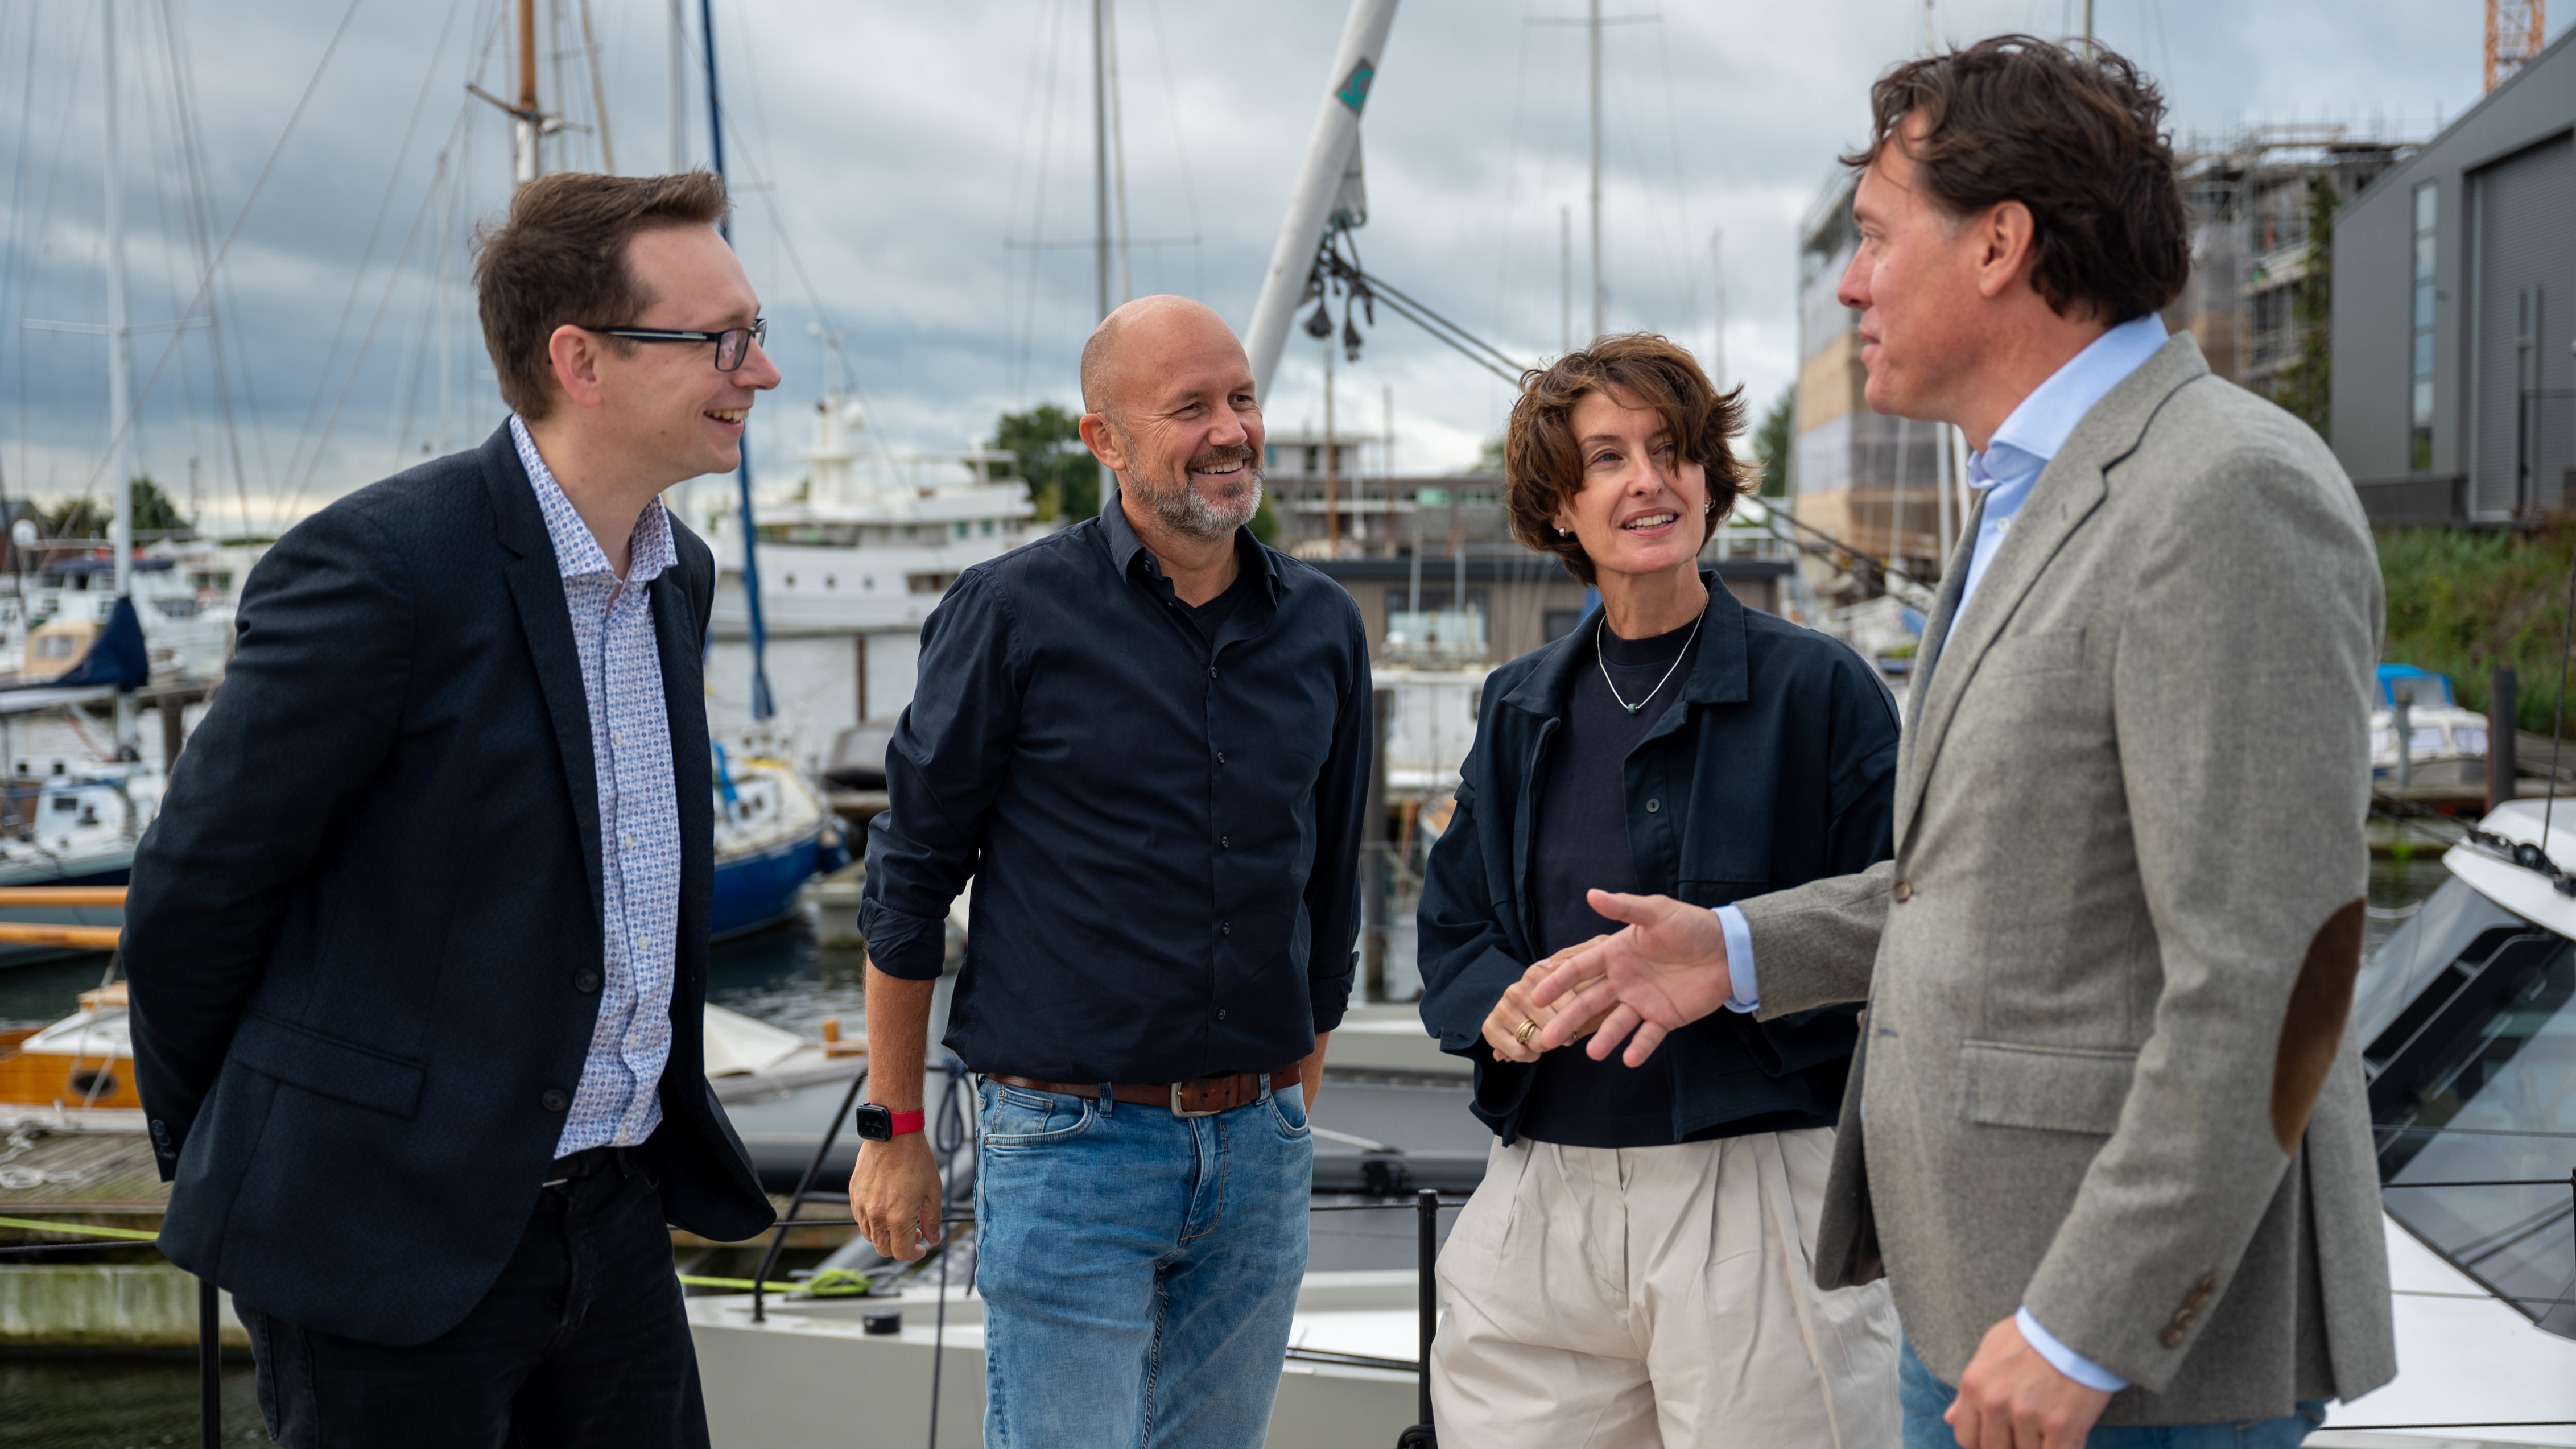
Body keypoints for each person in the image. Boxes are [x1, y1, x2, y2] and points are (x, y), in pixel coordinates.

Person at [1533, 36, 2396, 1449]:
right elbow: (1999, 882)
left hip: (2112, 1365)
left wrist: (2083, 1325)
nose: (1849, 281)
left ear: (1998, 242)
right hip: (1988, 1307)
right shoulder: (2022, 493)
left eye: (1874, 237)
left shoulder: (2222, 491)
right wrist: (1735, 952)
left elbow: (2274, 971)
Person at [122, 171, 779, 1448]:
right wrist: (271, 1156)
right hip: (379, 1245)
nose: (755, 372)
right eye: (721, 339)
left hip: (616, 1220)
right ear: (579, 359)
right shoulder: (381, 568)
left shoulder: (674, 576)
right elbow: (196, 896)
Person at [849, 294, 1373, 1449]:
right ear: (1105, 439)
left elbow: (1329, 891)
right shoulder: (1009, 614)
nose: (1229, 428)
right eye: (1188, 406)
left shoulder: (1324, 627)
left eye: (1239, 397)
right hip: (1071, 1149)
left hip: (1258, 1155)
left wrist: (1288, 1111)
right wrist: (893, 1126)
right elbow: (909, 879)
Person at [1415, 333, 1903, 1447]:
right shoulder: (1516, 705)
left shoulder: (1817, 690)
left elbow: (1917, 914)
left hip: (1757, 1197)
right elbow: (1447, 932)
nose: (1648, 477)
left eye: (1670, 448)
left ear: (1707, 479)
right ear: (1558, 508)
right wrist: (1495, 1000)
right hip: (1537, 1201)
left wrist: (1735, 955)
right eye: (1605, 457)